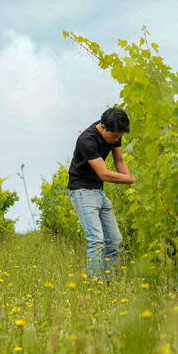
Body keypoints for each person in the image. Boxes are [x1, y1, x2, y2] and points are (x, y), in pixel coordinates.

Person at [67, 107, 135, 281]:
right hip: (82, 191)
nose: (116, 139)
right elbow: (103, 173)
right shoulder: (87, 140)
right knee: (96, 240)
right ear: (103, 127)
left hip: (98, 191)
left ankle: (109, 281)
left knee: (114, 240)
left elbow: (119, 161)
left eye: (119, 136)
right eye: (114, 136)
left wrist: (129, 180)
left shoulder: (114, 132)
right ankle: (95, 284)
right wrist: (132, 180)